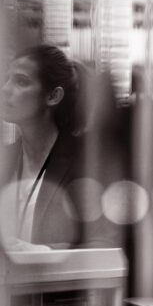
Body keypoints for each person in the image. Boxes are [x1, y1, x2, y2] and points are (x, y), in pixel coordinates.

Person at [0, 44, 114, 251]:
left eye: (21, 81)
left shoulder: (85, 160)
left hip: (59, 283)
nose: (5, 89)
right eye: (7, 79)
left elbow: (103, 245)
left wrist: (43, 254)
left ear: (53, 96)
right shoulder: (5, 159)